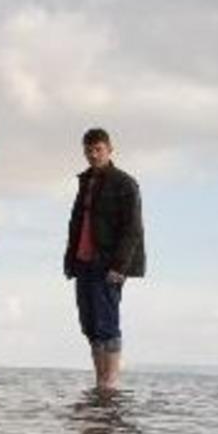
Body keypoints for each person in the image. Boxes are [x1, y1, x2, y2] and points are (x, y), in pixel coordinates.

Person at [64, 126, 145, 389]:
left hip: (108, 264)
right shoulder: (85, 181)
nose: (93, 154)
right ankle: (100, 382)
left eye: (98, 149)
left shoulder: (124, 183)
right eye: (89, 150)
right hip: (83, 261)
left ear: (110, 150)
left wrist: (120, 266)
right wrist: (70, 261)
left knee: (106, 323)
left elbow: (132, 228)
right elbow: (76, 224)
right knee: (89, 324)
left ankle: (110, 383)